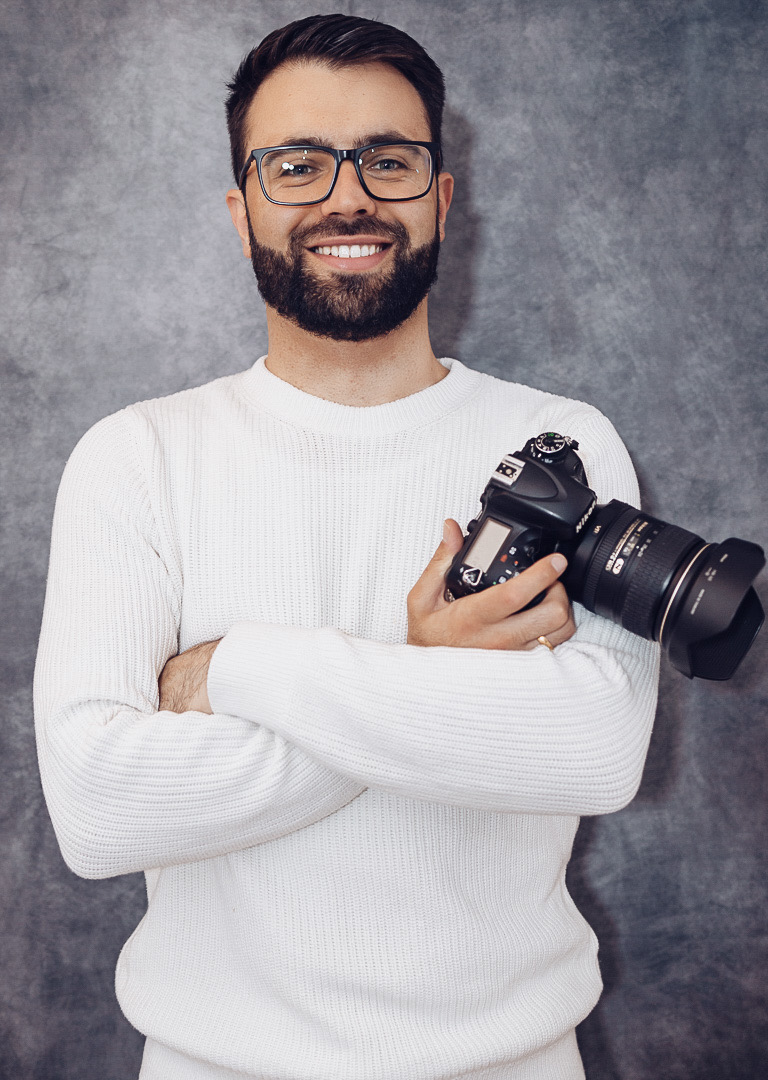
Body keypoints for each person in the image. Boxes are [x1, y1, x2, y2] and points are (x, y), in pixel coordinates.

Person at [34, 14, 660, 1080]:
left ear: (442, 197)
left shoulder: (564, 445)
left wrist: (235, 670)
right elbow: (99, 809)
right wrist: (430, 675)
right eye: (295, 165)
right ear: (242, 212)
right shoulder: (137, 458)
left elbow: (595, 753)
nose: (346, 195)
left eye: (388, 158)